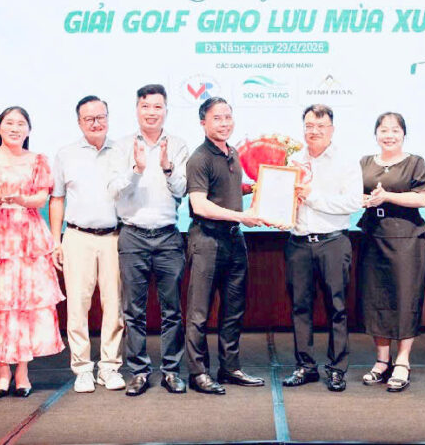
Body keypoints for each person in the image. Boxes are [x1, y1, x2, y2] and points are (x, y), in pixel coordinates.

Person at [0, 106, 65, 399]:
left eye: (21, 124)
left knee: (25, 304)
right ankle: (2, 373)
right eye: (9, 123)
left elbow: (41, 198)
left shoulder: (38, 160)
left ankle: (22, 373)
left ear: (28, 130)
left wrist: (21, 199)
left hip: (28, 239)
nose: (15, 128)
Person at [110, 84, 190, 396]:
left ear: (166, 110)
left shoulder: (179, 145)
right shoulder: (121, 146)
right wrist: (137, 170)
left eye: (157, 107)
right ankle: (139, 372)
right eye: (146, 106)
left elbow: (182, 190)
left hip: (168, 236)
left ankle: (171, 371)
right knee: (134, 311)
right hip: (133, 236)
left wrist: (167, 168)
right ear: (137, 109)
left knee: (172, 310)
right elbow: (114, 190)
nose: (151, 112)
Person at [184, 97, 267, 395]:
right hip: (207, 240)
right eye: (217, 118)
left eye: (227, 117)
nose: (224, 123)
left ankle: (230, 368)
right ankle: (198, 373)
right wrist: (243, 216)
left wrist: (259, 187)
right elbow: (200, 205)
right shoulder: (199, 158)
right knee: (199, 313)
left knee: (233, 309)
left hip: (234, 240)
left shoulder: (232, 153)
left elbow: (228, 190)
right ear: (203, 122)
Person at [280, 104, 362, 392]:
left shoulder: (345, 161)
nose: (313, 131)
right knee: (300, 307)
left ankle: (337, 369)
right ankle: (305, 366)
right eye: (309, 126)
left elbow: (353, 202)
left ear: (332, 129)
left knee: (337, 308)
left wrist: (312, 196)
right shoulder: (292, 159)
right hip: (298, 243)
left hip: (333, 243)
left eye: (320, 126)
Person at [48, 96, 126, 394]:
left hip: (114, 237)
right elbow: (57, 199)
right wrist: (56, 240)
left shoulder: (122, 151)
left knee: (114, 305)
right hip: (77, 237)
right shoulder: (65, 154)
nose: (96, 123)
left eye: (101, 117)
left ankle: (109, 367)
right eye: (89, 118)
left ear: (108, 117)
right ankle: (82, 369)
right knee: (78, 306)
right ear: (79, 122)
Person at [357, 112, 425, 392]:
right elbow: (352, 194)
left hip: (406, 238)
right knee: (375, 298)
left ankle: (402, 361)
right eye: (383, 130)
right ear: (376, 134)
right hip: (372, 236)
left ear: (403, 134)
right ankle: (381, 360)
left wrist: (387, 196)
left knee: (405, 297)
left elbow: (423, 198)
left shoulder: (415, 163)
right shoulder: (365, 162)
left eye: (395, 130)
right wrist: (365, 199)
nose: (389, 135)